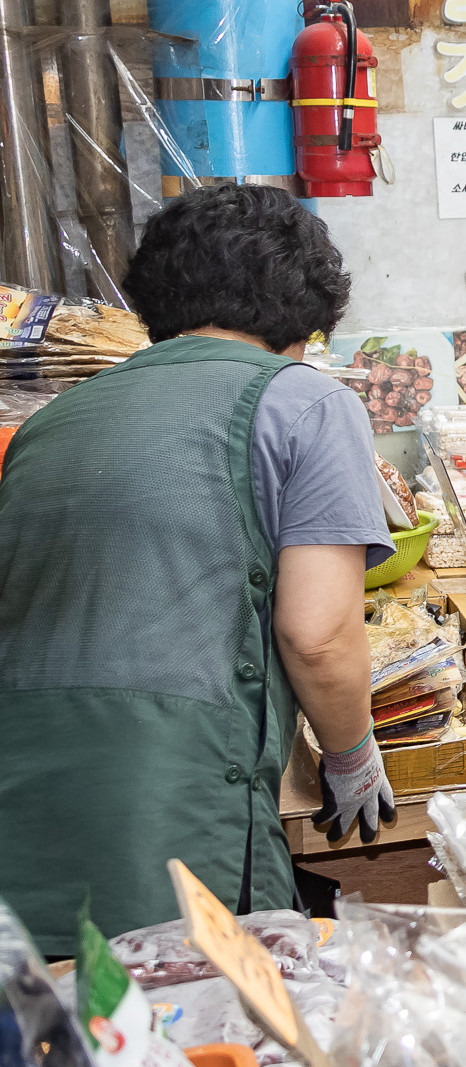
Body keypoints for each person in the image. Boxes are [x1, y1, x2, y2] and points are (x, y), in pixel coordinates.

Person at [0, 186, 397, 953]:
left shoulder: (50, 422)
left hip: (19, 805)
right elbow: (318, 634)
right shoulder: (308, 401)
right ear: (305, 316)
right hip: (167, 813)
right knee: (198, 1048)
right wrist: (349, 756)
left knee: (61, 1050)